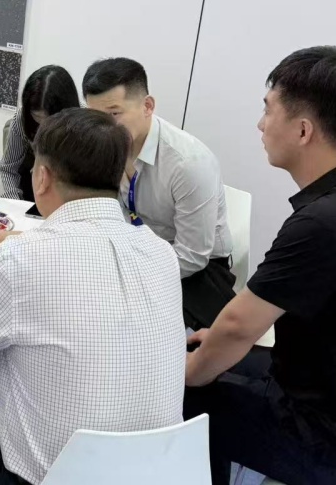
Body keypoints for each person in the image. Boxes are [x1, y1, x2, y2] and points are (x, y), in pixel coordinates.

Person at [0, 108, 186, 485]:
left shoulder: (19, 261)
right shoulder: (161, 253)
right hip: (158, 472)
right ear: (120, 176)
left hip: (51, 478)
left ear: (42, 177)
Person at [184, 46, 336, 485]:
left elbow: (239, 325)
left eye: (268, 109)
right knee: (217, 351)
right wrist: (216, 345)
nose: (261, 124)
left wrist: (191, 373)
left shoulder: (322, 222)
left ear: (303, 130)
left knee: (190, 397)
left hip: (333, 438)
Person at [83, 57, 234, 329]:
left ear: (147, 106)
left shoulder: (188, 163)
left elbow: (192, 256)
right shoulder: (105, 146)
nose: (103, 129)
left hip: (196, 273)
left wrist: (129, 275)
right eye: (95, 117)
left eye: (114, 114)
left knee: (121, 325)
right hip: (135, 253)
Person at [0, 65, 80, 201]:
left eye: (50, 119)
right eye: (37, 117)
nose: (43, 125)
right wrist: (14, 203)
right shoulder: (22, 119)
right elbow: (8, 168)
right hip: (29, 192)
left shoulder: (83, 124)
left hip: (69, 194)